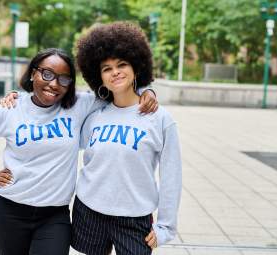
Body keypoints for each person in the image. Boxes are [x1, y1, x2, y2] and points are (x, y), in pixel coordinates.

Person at [0, 48, 158, 255]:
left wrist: (146, 90)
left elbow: (119, 89)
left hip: (54, 216)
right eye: (47, 74)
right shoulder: (10, 108)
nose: (54, 84)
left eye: (64, 79)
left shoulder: (78, 105)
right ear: (33, 73)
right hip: (9, 212)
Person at [70, 22, 182, 255]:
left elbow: (172, 175)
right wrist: (18, 98)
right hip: (89, 211)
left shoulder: (159, 118)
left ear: (136, 68)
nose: (115, 72)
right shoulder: (93, 115)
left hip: (134, 217)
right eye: (107, 68)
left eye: (122, 64)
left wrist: (166, 227)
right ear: (98, 76)